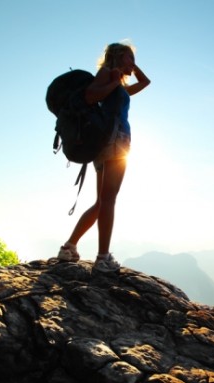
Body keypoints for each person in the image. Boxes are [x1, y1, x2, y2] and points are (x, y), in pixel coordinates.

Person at [57, 42, 150, 272]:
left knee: (101, 202)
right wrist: (113, 76)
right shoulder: (107, 74)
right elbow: (90, 96)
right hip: (114, 142)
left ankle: (69, 247)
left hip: (108, 143)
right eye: (130, 58)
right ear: (118, 57)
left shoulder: (117, 83)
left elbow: (145, 83)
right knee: (109, 200)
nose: (133, 63)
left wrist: (128, 70)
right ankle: (103, 258)